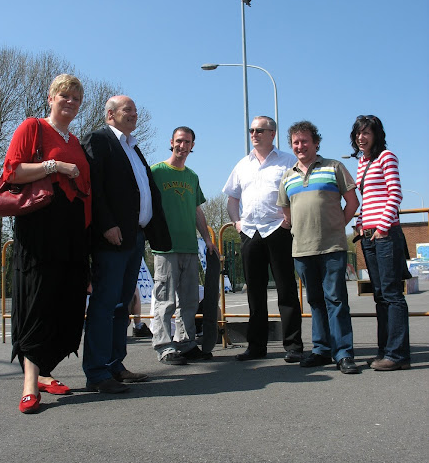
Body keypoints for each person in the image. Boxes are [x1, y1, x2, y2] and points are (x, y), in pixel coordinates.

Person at [3, 74, 91, 413]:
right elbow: (12, 172)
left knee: (67, 305)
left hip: (72, 231)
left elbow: (84, 190)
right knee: (38, 303)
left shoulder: (76, 140)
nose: (70, 102)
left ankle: (43, 371)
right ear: (51, 97)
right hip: (40, 227)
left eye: (76, 98)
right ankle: (30, 383)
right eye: (64, 96)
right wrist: (54, 165)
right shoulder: (32, 127)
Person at [82, 96, 171, 393]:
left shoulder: (132, 146)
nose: (134, 114)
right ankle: (96, 373)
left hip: (135, 236)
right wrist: (106, 224)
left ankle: (115, 365)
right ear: (110, 114)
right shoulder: (100, 139)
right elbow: (93, 185)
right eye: (127, 110)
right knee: (105, 304)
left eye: (135, 110)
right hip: (112, 238)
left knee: (123, 305)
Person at [278, 121, 360, 374]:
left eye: (304, 141)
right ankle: (321, 350)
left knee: (336, 300)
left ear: (316, 143)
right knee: (315, 301)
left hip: (331, 247)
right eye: (295, 142)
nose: (300, 146)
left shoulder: (334, 167)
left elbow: (352, 203)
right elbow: (286, 212)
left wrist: (337, 227)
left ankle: (343, 353)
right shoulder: (288, 175)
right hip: (302, 250)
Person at [223, 116, 304, 362]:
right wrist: (237, 222)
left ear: (272, 134)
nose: (254, 133)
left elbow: (300, 192)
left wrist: (290, 219)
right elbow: (232, 198)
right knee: (254, 293)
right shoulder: (242, 165)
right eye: (251, 130)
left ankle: (293, 346)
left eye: (259, 130)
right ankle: (256, 347)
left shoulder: (289, 162)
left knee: (286, 290)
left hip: (278, 231)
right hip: (250, 233)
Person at [150, 126, 218, 365]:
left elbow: (197, 210)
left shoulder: (192, 176)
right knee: (165, 300)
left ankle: (186, 343)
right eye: (179, 141)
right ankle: (164, 347)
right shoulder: (156, 171)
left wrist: (207, 239)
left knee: (189, 301)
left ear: (192, 146)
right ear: (171, 142)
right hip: (165, 248)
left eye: (187, 142)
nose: (182, 146)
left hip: (189, 247)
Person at [350, 115, 410, 370]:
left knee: (392, 294)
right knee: (379, 295)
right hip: (369, 234)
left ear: (376, 135)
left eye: (366, 133)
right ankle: (384, 351)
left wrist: (383, 227)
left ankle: (398, 356)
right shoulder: (362, 163)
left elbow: (395, 194)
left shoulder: (387, 157)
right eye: (358, 133)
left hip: (386, 234)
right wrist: (362, 222)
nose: (361, 138)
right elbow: (368, 200)